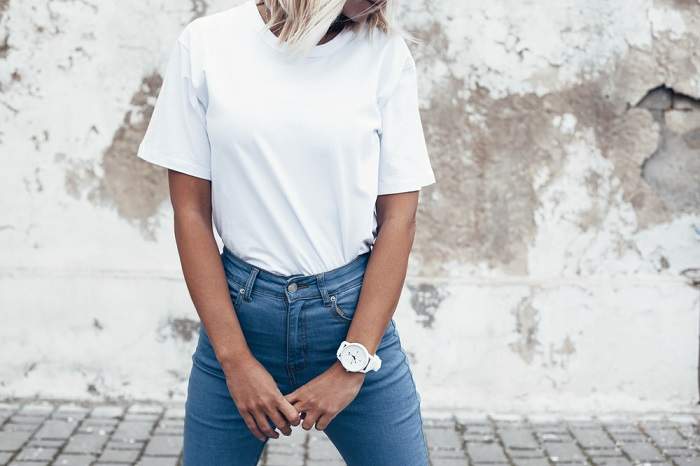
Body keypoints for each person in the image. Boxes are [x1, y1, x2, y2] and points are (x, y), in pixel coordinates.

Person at [136, 0, 437, 464]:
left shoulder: (384, 54)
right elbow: (190, 213)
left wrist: (352, 365)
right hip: (239, 320)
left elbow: (400, 219)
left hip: (351, 320)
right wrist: (234, 362)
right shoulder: (207, 45)